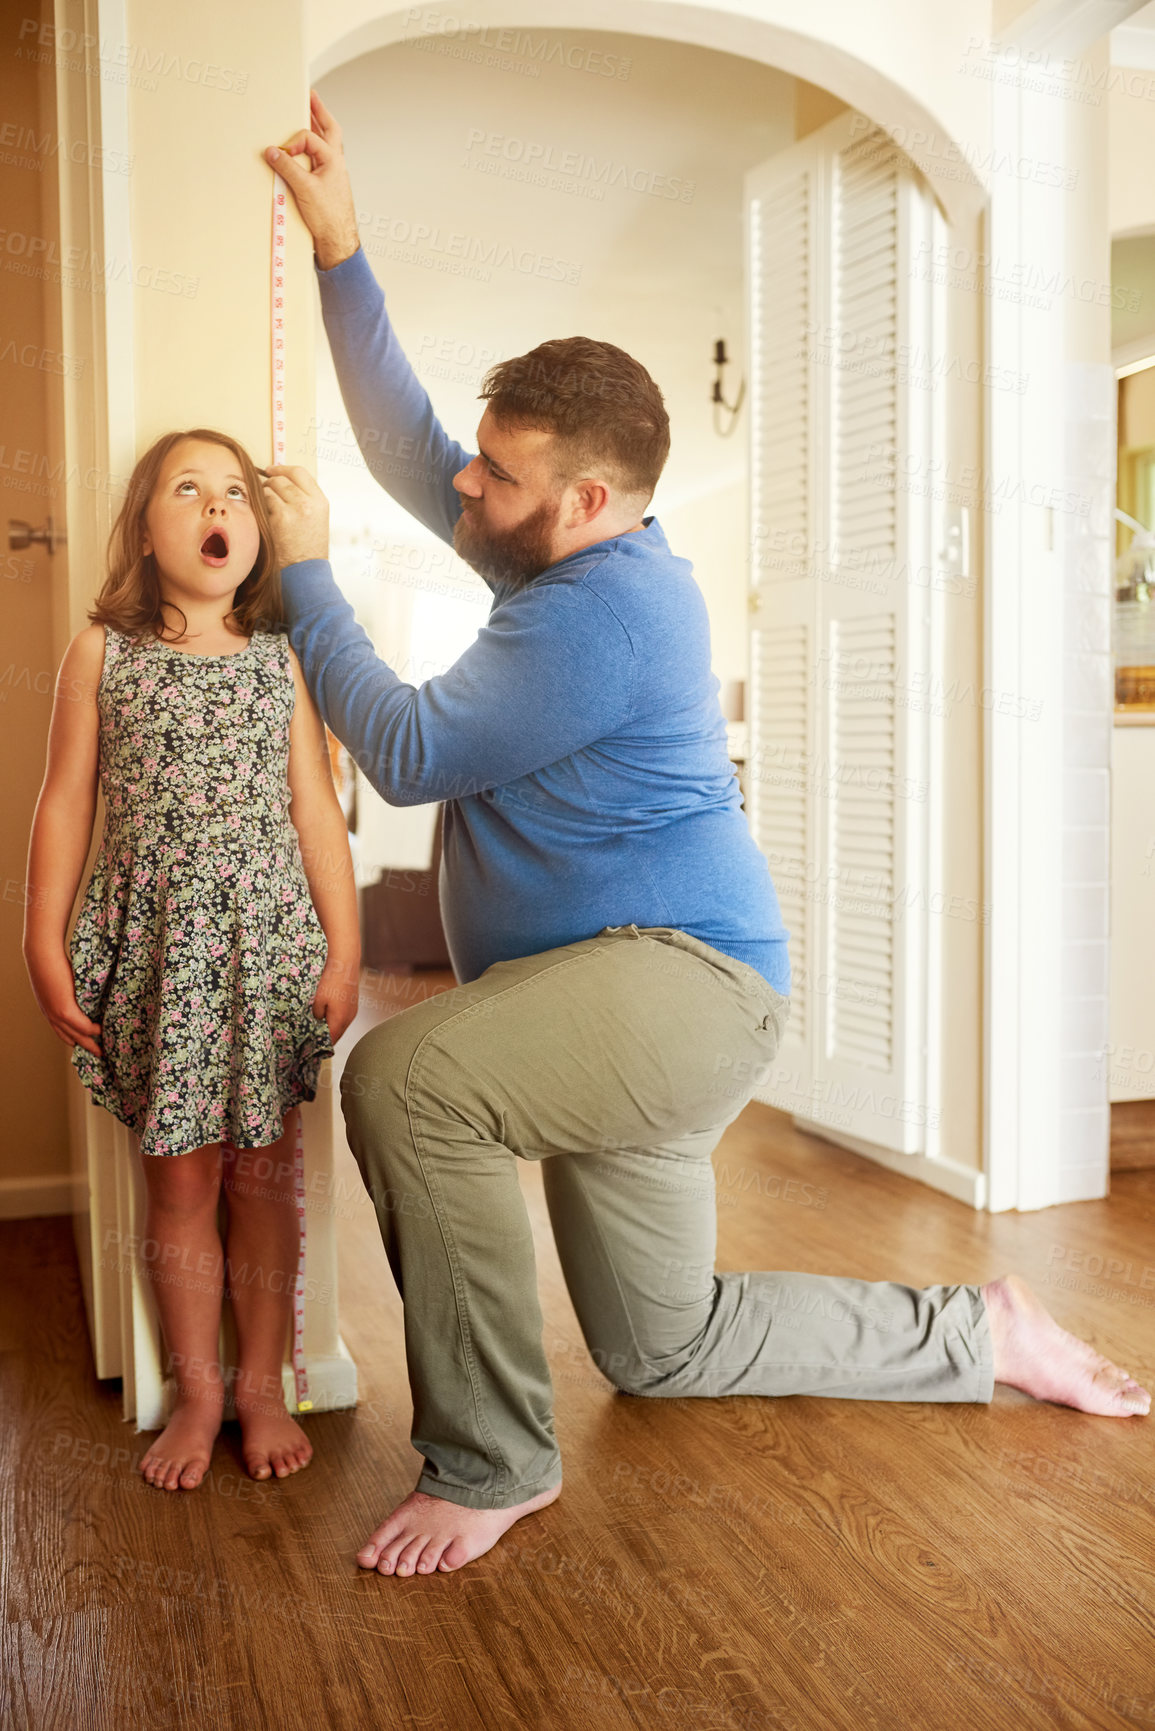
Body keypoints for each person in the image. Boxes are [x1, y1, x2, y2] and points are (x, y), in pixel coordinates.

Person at [259, 92, 1150, 1578]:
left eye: (501, 477)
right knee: (664, 1342)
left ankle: (492, 1459)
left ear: (588, 499)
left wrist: (306, 577)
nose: (464, 488)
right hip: (626, 998)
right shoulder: (545, 543)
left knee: (408, 1078)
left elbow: (404, 749)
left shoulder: (607, 612)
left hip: (672, 986)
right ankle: (974, 1328)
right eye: (484, 462)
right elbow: (410, 439)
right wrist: (341, 247)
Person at [23, 429, 361, 1491]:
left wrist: (345, 954)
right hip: (157, 954)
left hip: (267, 955)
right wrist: (42, 941)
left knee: (265, 1183)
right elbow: (65, 805)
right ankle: (198, 1388)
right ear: (148, 526)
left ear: (254, 535)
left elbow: (316, 815)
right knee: (178, 1188)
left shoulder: (281, 657)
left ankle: (262, 1387)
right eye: (190, 489)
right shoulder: (100, 651)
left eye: (236, 494)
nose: (218, 505)